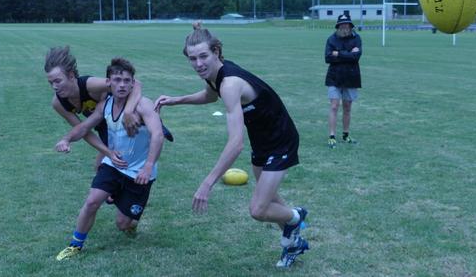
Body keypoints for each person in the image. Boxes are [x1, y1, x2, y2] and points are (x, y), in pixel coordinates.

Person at [154, 23, 309, 268]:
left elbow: (235, 144)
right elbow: (209, 95)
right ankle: (294, 243)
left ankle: (296, 217)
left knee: (258, 209)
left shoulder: (230, 84)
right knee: (270, 198)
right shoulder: (216, 76)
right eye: (192, 58)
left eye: (203, 56)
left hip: (281, 139)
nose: (198, 64)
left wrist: (207, 183)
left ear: (216, 52)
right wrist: (176, 100)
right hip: (262, 139)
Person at [55, 57, 164, 260]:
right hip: (114, 164)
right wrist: (66, 138)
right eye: (116, 80)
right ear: (109, 83)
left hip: (139, 172)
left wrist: (148, 166)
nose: (121, 85)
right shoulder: (105, 105)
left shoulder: (143, 105)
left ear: (133, 83)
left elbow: (158, 135)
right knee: (92, 201)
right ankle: (75, 245)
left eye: (126, 80)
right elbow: (85, 126)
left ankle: (126, 210)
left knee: (124, 225)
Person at [44, 46, 173, 171]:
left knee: (115, 168)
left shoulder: (89, 85)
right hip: (103, 125)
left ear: (71, 76)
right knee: (102, 168)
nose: (54, 87)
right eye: (51, 83)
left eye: (58, 81)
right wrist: (107, 152)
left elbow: (136, 84)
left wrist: (128, 111)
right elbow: (84, 130)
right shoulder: (58, 103)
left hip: (123, 117)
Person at [325, 14, 362, 149]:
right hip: (334, 77)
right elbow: (328, 58)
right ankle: (332, 136)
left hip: (351, 77)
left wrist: (338, 53)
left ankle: (346, 135)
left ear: (351, 27)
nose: (344, 28)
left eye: (347, 25)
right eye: (342, 25)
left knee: (347, 107)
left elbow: (356, 57)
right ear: (338, 27)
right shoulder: (331, 39)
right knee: (334, 106)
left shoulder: (357, 38)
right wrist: (348, 54)